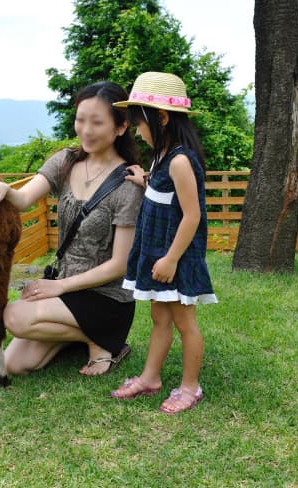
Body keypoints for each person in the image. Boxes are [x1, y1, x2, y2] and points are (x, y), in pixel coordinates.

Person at [0, 82, 144, 377]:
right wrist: (5, 189)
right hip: (65, 290)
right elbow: (25, 198)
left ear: (120, 128)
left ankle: (106, 339)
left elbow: (120, 264)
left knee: (14, 315)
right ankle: (83, 335)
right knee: (14, 364)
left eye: (97, 122)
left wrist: (59, 287)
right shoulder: (65, 160)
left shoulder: (127, 185)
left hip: (106, 298)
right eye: (81, 119)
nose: (86, 130)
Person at [109, 72, 218, 414]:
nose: (138, 130)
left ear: (163, 118)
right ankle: (151, 378)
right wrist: (144, 181)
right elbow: (163, 195)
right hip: (158, 254)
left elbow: (192, 216)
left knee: (186, 323)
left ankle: (190, 387)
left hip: (175, 257)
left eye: (140, 122)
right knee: (159, 317)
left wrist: (171, 259)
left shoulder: (182, 161)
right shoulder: (161, 156)